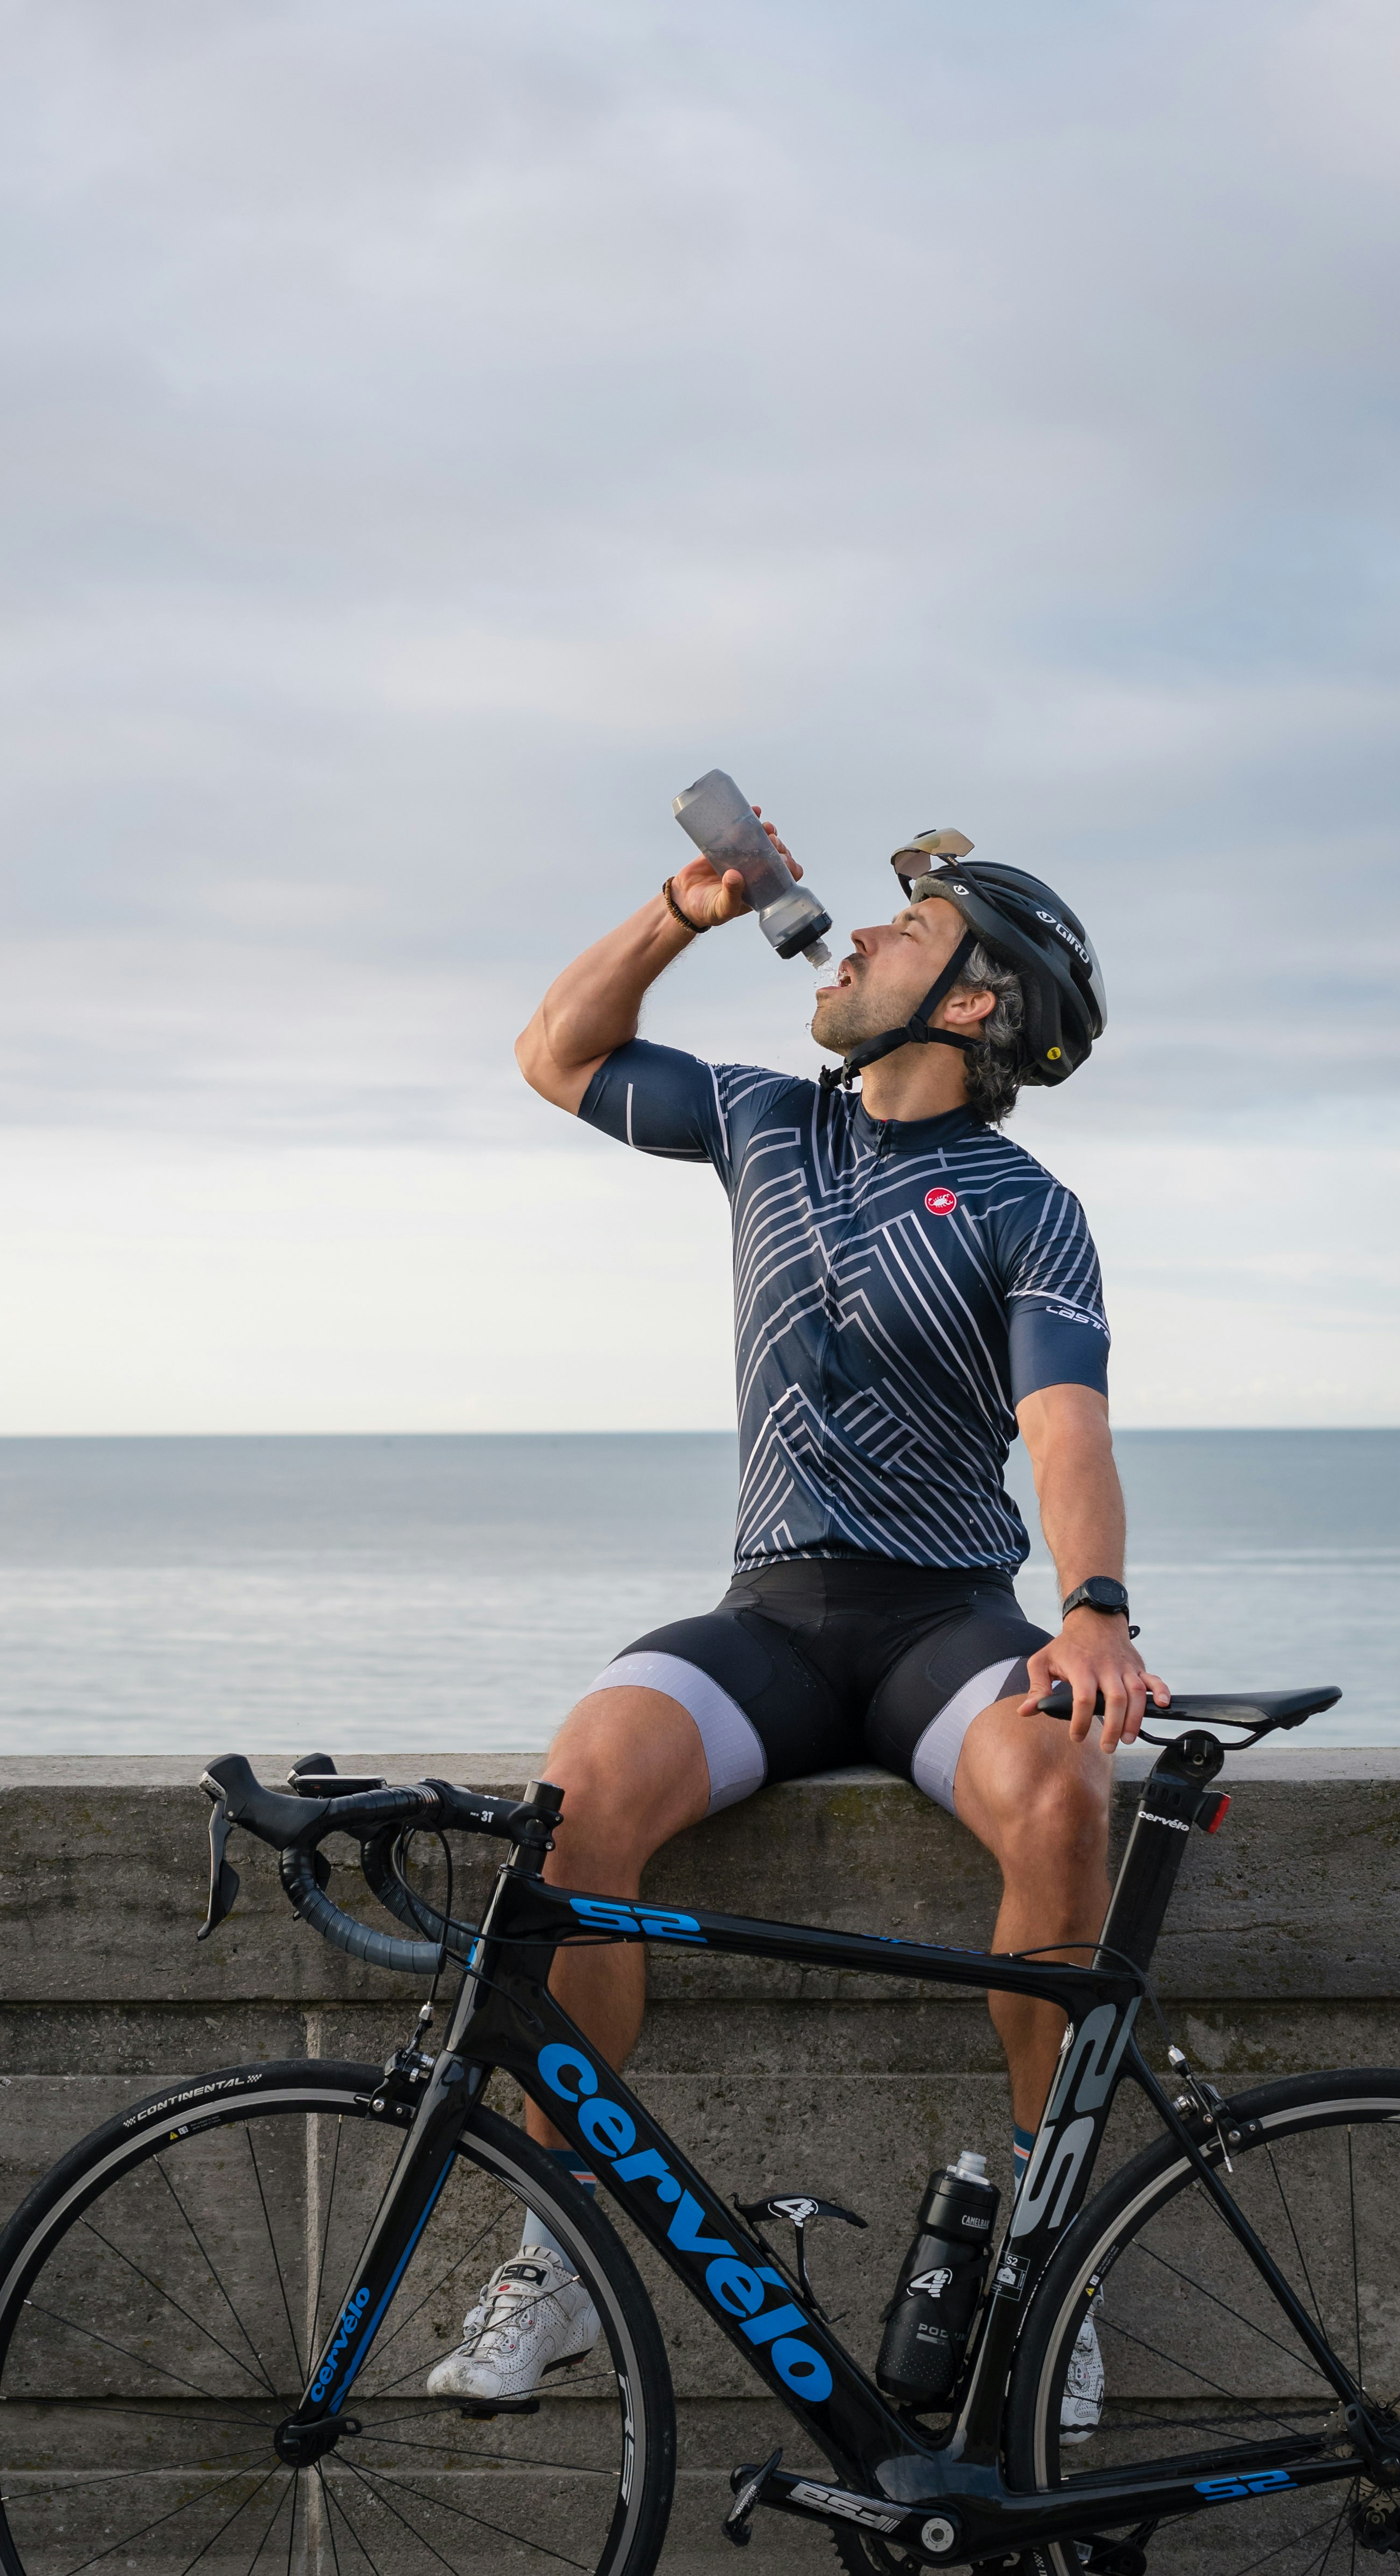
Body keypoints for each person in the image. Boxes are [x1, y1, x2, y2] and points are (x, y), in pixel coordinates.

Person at [427, 814, 1167, 2428]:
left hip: (941, 1627)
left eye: (910, 934)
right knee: (579, 1799)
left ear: (974, 1007)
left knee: (1057, 1792)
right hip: (765, 1616)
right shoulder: (766, 1123)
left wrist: (1093, 1609)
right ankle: (559, 2257)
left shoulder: (1024, 1205)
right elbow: (557, 1054)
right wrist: (683, 910)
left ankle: (1054, 2273)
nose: (856, 943)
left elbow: (1065, 1432)